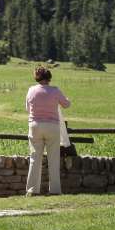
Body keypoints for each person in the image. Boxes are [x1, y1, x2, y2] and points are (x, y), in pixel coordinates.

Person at [24, 66, 71, 196]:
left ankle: (32, 190)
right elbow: (66, 104)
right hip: (52, 126)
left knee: (35, 158)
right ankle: (55, 190)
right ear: (49, 77)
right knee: (53, 159)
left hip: (35, 125)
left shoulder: (31, 90)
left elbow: (27, 108)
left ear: (37, 77)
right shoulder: (55, 90)